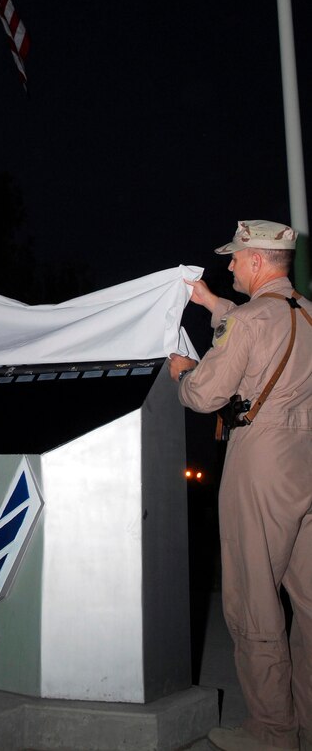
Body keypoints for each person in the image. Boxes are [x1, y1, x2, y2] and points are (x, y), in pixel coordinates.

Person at [168, 220, 312, 751]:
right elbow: (270, 331)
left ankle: (274, 732)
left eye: (234, 258)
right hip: (307, 456)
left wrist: (182, 372)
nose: (228, 267)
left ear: (255, 261)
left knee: (253, 600)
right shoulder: (304, 312)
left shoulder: (251, 320)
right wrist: (212, 305)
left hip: (265, 460)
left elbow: (205, 395)